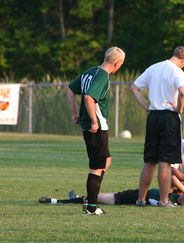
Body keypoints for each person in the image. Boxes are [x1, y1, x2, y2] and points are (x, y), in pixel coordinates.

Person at [66, 47, 125, 215]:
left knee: (106, 161)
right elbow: (88, 97)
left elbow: (70, 89)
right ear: (116, 63)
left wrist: (74, 113)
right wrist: (93, 120)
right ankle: (91, 207)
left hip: (91, 125)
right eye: (121, 64)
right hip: (96, 127)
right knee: (96, 167)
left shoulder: (90, 72)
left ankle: (92, 196)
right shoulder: (103, 76)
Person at [130, 46, 184, 207]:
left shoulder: (153, 68)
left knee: (150, 161)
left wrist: (146, 106)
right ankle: (164, 201)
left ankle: (141, 199)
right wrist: (179, 109)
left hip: (153, 117)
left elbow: (134, 88)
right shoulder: (177, 72)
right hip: (169, 118)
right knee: (165, 162)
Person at [38, 176, 184, 206]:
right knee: (94, 198)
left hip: (128, 199)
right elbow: (171, 178)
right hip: (134, 195)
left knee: (95, 198)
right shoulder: (172, 193)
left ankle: (59, 201)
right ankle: (62, 200)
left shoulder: (174, 204)